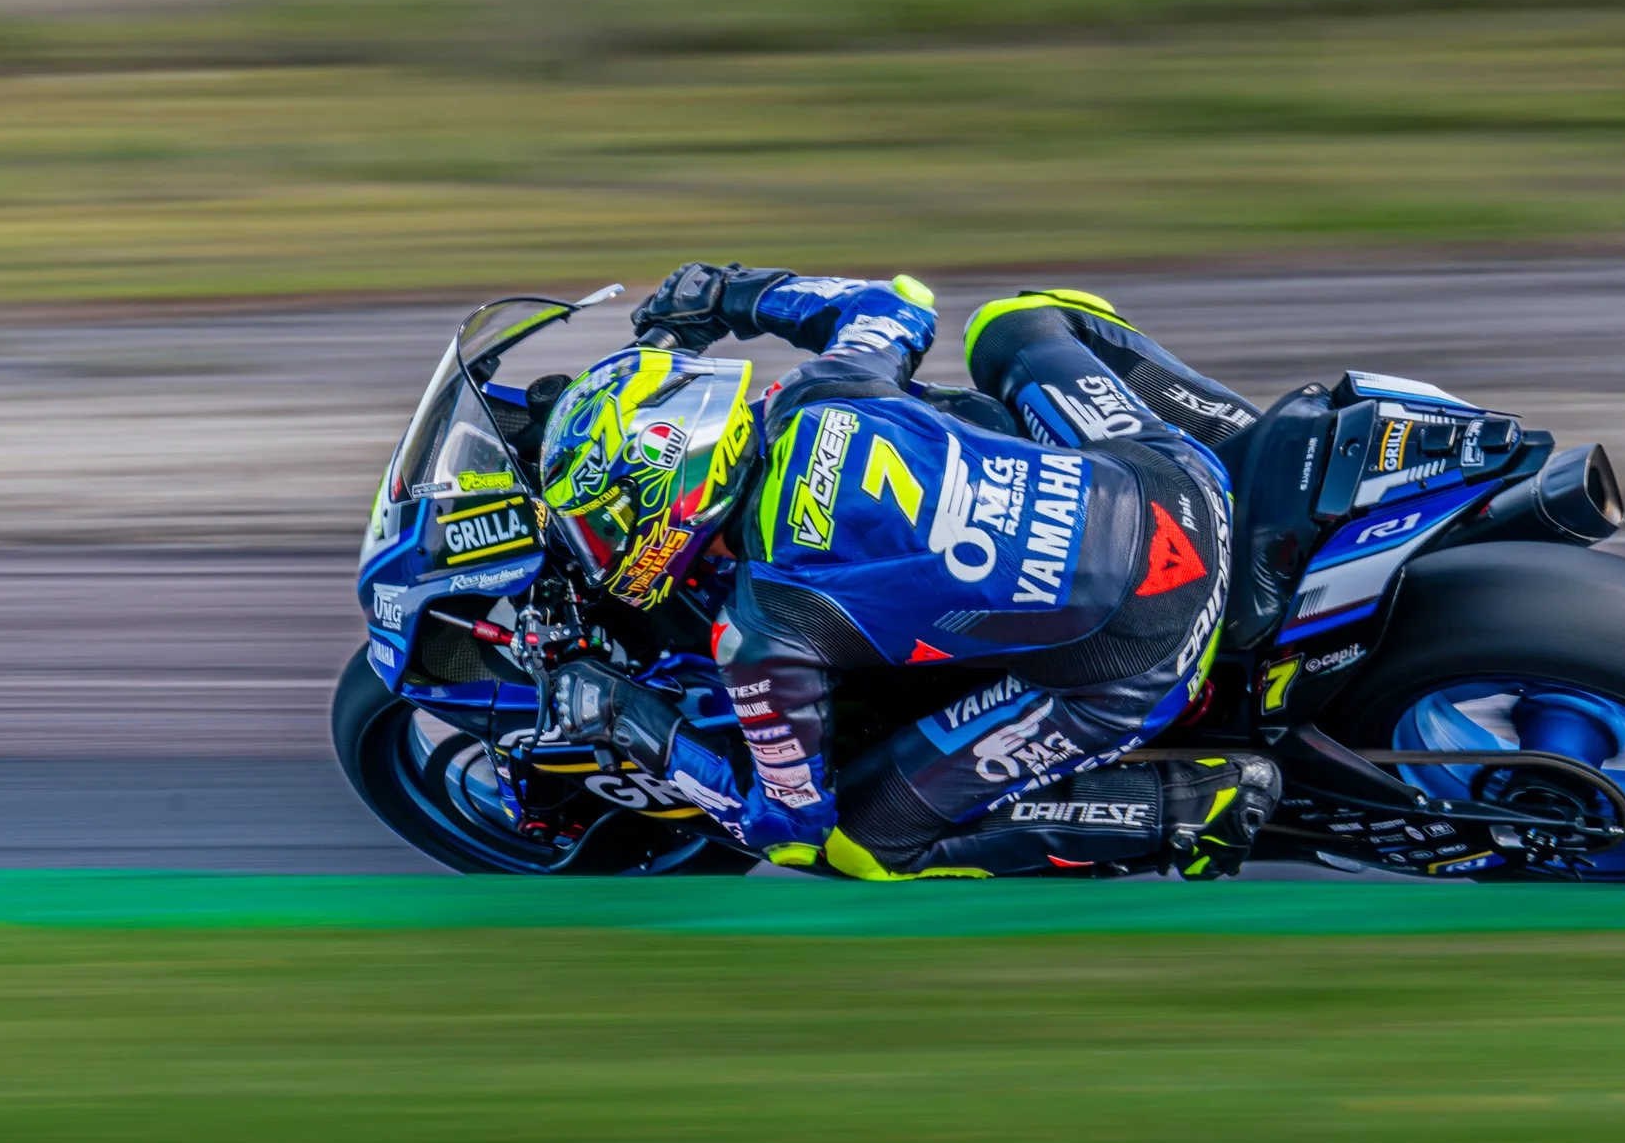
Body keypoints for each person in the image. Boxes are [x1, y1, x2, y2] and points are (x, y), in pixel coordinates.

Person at [537, 262, 1280, 879]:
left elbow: (786, 825)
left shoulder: (767, 626)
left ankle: (1183, 802)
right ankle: (1261, 451)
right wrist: (733, 292)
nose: (595, 546)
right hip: (1176, 478)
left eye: (602, 525)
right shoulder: (819, 391)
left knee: (862, 846)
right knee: (1016, 323)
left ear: (673, 498)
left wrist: (635, 725)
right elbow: (897, 304)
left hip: (1144, 645)